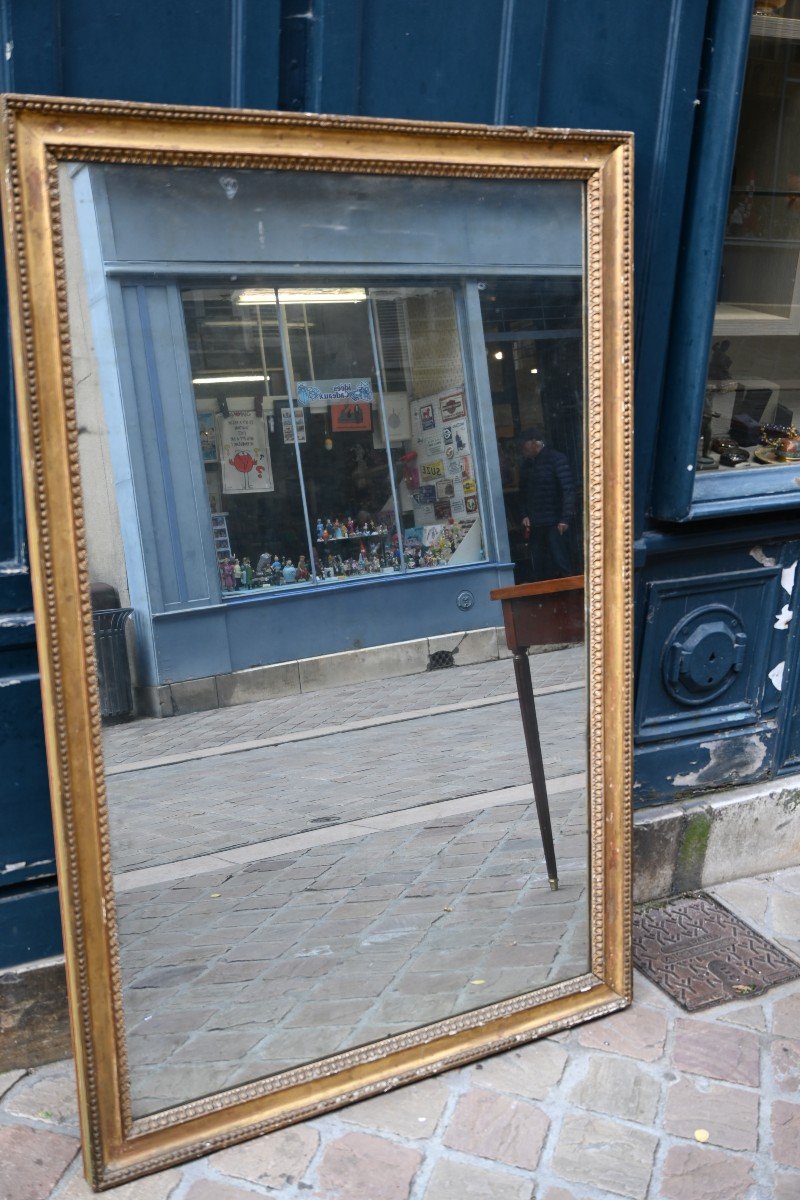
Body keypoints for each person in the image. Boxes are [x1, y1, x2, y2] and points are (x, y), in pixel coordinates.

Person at [518, 427, 575, 581]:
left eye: (525, 445)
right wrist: (524, 515)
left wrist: (565, 519)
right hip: (536, 524)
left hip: (555, 522)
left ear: (534, 443)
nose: (523, 449)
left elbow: (567, 490)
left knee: (560, 561)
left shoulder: (556, 459)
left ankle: (570, 594)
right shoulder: (527, 466)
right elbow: (522, 493)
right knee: (540, 566)